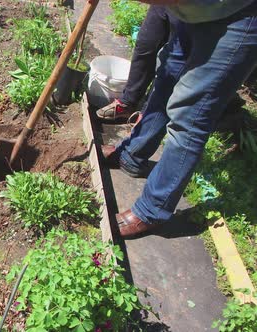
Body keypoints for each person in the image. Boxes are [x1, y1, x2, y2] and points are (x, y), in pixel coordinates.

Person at [103, 1, 257, 238]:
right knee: (166, 79)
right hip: (192, 11)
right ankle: (132, 154)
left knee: (191, 113)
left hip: (238, 15)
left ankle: (152, 210)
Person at [96, 6, 180, 121]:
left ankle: (147, 114)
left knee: (171, 60)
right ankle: (127, 103)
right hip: (164, 5)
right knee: (146, 43)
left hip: (192, 11)